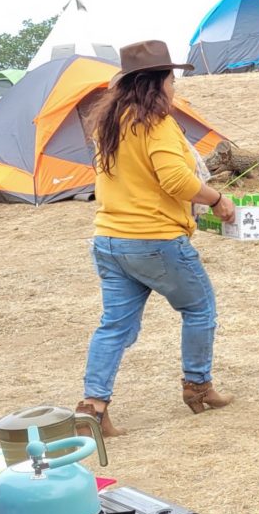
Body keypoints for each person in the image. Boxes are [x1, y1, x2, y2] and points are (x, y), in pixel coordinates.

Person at [76, 40, 236, 436]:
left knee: (113, 326)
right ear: (158, 82)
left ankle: (92, 409)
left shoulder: (109, 121)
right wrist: (217, 199)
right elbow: (177, 180)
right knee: (200, 309)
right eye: (171, 79)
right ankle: (198, 387)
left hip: (110, 240)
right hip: (155, 240)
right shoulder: (156, 123)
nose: (174, 86)